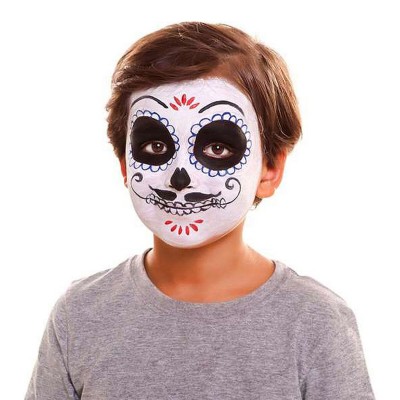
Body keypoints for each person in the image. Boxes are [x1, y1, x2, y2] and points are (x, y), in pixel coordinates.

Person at [25, 22, 375, 399]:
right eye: (156, 147)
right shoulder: (80, 315)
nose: (180, 177)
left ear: (270, 169)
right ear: (125, 164)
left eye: (217, 149)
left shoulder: (316, 322)